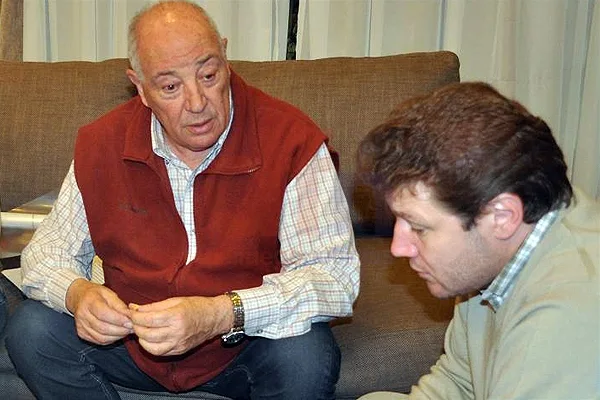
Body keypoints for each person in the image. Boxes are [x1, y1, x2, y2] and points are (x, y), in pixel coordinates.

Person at [5, 1, 360, 399]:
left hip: (244, 345)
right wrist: (78, 295)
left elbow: (335, 278)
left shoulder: (291, 139)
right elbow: (45, 254)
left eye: (208, 75)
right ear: (140, 88)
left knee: (305, 355)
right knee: (32, 330)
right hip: (132, 347)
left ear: (225, 57)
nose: (197, 102)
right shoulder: (102, 143)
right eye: (170, 87)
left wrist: (219, 315)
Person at [357, 82, 599, 399]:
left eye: (418, 227)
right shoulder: (491, 258)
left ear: (502, 215)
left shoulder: (568, 319)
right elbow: (459, 381)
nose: (398, 248)